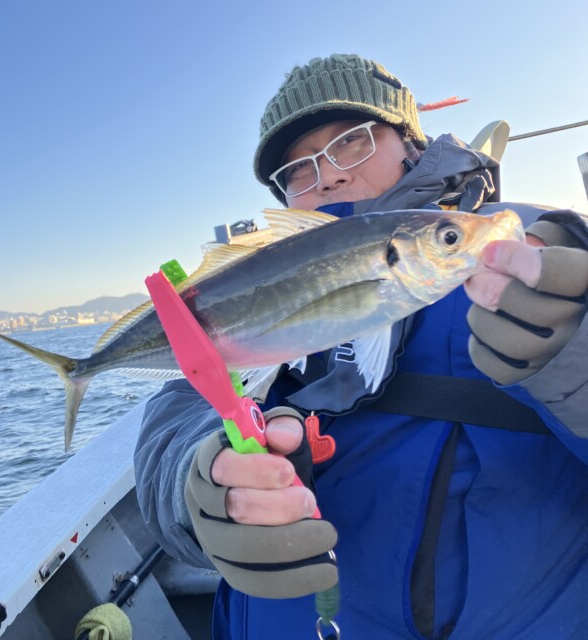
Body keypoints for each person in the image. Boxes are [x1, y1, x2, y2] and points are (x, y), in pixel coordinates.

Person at [134, 54, 588, 639]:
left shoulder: (529, 239)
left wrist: (574, 358)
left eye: (351, 142)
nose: (328, 175)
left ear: (410, 143)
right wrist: (194, 488)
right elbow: (176, 410)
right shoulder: (256, 279)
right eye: (297, 169)